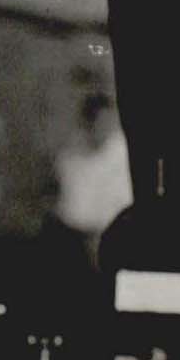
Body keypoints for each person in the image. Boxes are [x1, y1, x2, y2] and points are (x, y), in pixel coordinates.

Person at [53, 90, 133, 265]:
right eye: (99, 123)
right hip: (77, 241)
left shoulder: (125, 155)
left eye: (108, 123)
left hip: (118, 241)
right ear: (87, 124)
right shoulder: (70, 158)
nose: (104, 129)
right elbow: (72, 211)